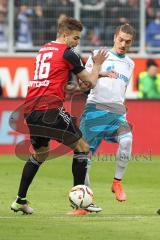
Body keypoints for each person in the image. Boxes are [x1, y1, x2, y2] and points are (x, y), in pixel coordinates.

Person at [10, 16, 108, 215]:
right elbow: (90, 82)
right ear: (65, 35)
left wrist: (69, 87)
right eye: (76, 38)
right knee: (82, 147)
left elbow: (53, 79)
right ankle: (81, 202)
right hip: (50, 109)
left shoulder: (43, 49)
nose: (77, 42)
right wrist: (97, 66)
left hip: (31, 110)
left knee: (40, 154)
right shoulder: (68, 53)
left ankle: (20, 200)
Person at [79, 24, 135, 202]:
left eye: (127, 41)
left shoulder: (130, 63)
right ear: (114, 37)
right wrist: (101, 72)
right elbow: (85, 83)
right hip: (95, 110)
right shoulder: (98, 55)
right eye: (120, 39)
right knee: (85, 158)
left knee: (127, 140)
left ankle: (117, 182)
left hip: (117, 113)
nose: (123, 44)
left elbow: (122, 89)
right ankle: (86, 201)